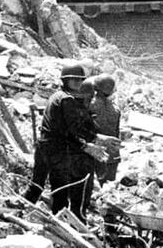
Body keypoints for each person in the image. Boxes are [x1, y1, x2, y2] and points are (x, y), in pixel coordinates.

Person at [24, 64, 108, 219]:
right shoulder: (67, 100)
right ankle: (59, 225)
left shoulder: (57, 96)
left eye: (79, 79)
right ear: (65, 80)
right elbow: (69, 131)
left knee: (36, 185)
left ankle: (21, 211)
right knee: (60, 192)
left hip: (44, 146)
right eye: (73, 79)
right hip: (57, 151)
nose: (77, 82)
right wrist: (88, 144)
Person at [88, 73, 121, 183]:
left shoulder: (90, 105)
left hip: (96, 153)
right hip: (113, 154)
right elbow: (117, 131)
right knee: (109, 189)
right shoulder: (116, 109)